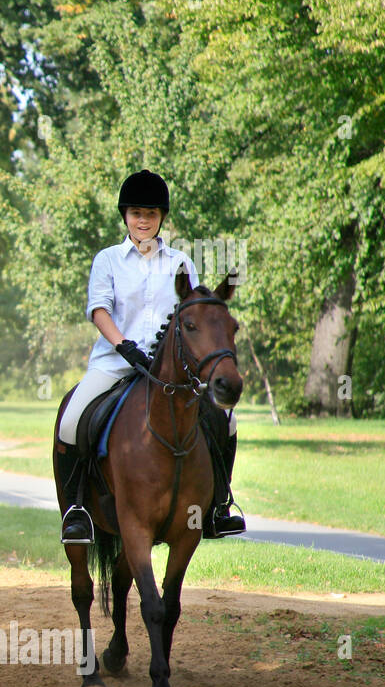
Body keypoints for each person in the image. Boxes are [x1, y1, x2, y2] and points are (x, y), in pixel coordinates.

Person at [56, 169, 244, 543]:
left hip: (171, 372)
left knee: (228, 420)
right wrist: (123, 345)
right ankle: (77, 509)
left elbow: (194, 312)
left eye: (152, 214)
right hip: (115, 363)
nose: (143, 221)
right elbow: (99, 309)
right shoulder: (108, 259)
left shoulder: (180, 261)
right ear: (125, 216)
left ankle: (219, 507)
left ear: (161, 218)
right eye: (137, 213)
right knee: (70, 421)